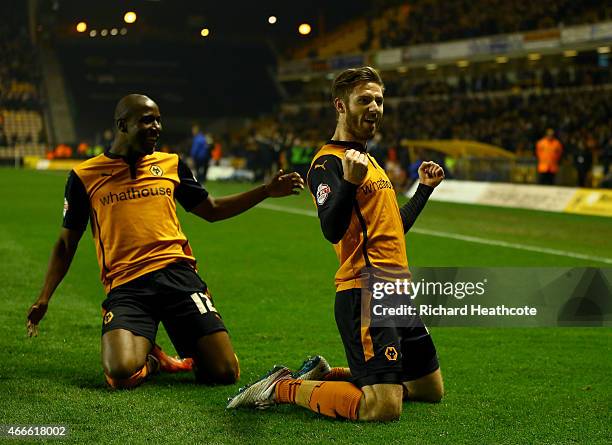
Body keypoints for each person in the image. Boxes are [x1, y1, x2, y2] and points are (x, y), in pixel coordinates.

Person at [26, 94, 304, 389]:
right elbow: (66, 244)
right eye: (147, 120)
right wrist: (44, 297)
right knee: (120, 374)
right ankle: (154, 359)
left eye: (158, 120)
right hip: (127, 285)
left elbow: (212, 209)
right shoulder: (84, 176)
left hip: (178, 277)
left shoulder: (170, 164)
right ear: (122, 124)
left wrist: (265, 191)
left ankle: (179, 347)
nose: (156, 126)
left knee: (224, 372)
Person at [228, 67, 445, 421]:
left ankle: (328, 375)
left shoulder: (370, 163)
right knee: (383, 408)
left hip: (396, 290)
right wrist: (348, 182)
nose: (374, 107)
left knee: (428, 389)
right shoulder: (328, 163)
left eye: (379, 100)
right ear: (340, 106)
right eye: (364, 99)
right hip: (365, 291)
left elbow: (393, 227)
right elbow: (331, 228)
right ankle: (281, 387)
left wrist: (423, 189)